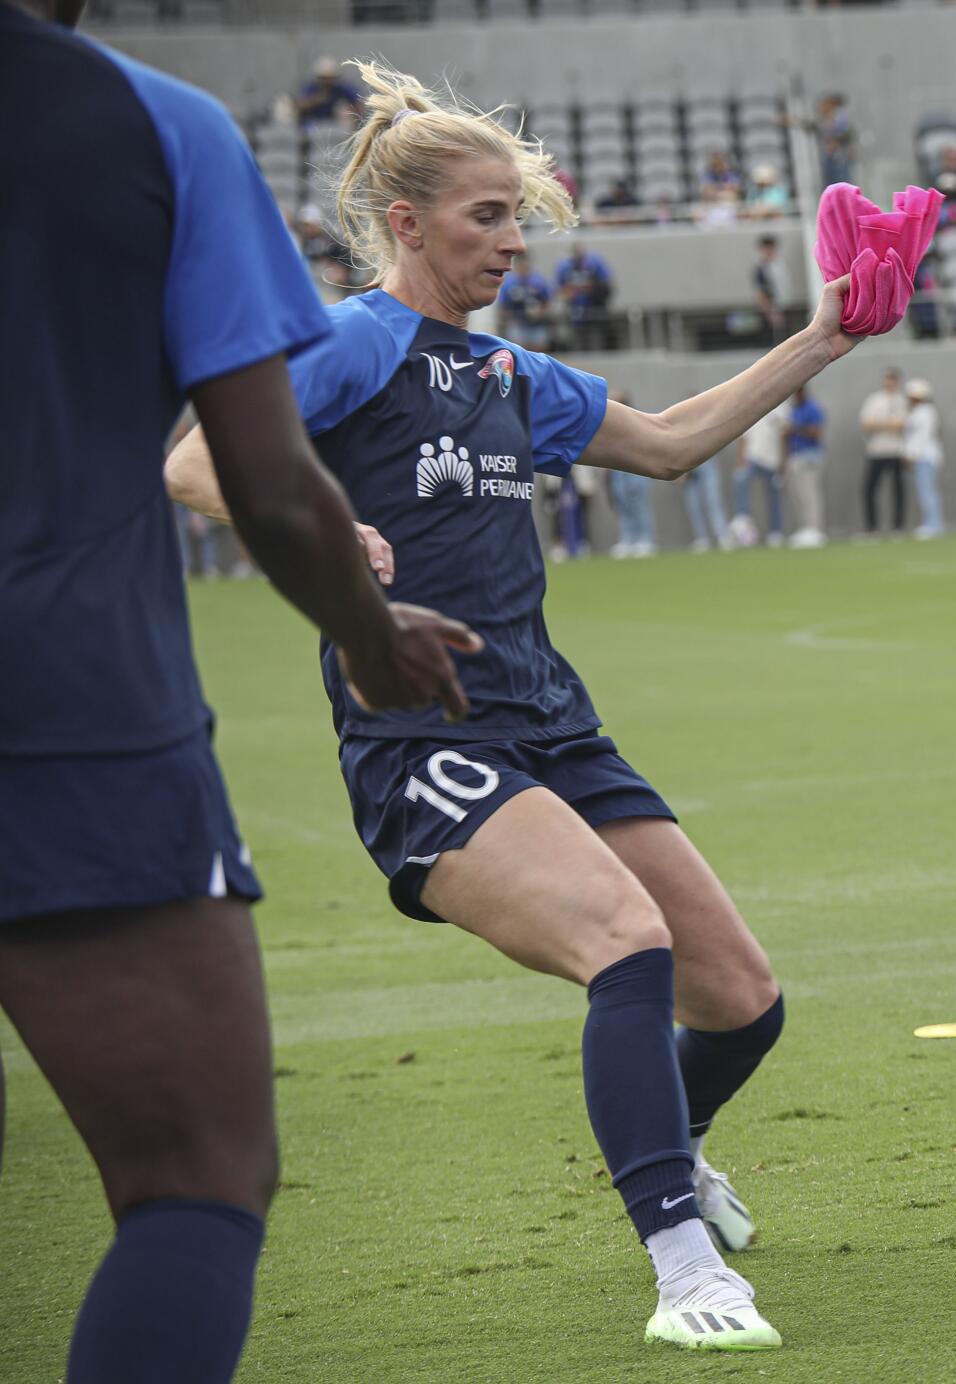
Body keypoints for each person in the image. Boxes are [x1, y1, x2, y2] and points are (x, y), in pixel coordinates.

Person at [164, 60, 875, 1354]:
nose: (510, 239)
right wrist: (334, 535)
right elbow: (196, 461)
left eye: (517, 216)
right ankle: (682, 1273)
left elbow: (665, 443)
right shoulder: (355, 341)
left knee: (741, 997)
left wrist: (823, 337)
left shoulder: (502, 375)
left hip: (552, 721)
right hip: (422, 736)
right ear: (407, 223)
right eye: (487, 215)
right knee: (625, 939)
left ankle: (676, 1145)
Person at [4, 15, 472, 1384]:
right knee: (193, 1176)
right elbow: (267, 479)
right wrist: (372, 636)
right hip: (64, 703)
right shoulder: (155, 126)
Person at [604, 389, 657, 559]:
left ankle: (645, 539)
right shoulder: (610, 424)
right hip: (618, 470)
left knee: (638, 505)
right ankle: (628, 539)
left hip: (634, 469)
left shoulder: (635, 420)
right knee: (623, 505)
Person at [860, 366, 909, 534]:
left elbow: (901, 425)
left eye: (892, 379)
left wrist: (879, 424)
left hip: (895, 451)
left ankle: (898, 526)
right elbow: (866, 425)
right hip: (876, 451)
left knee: (897, 490)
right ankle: (871, 526)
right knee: (869, 489)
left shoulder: (902, 401)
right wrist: (887, 424)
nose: (889, 382)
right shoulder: (874, 400)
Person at [733, 408, 786, 547]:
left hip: (772, 460)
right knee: (741, 478)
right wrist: (740, 460)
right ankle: (743, 520)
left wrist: (783, 462)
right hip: (753, 457)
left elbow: (784, 436)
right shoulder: (752, 405)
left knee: (774, 496)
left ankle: (775, 532)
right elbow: (743, 436)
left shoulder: (782, 408)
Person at [785, 386, 828, 548]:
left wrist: (795, 428)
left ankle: (815, 529)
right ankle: (804, 528)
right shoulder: (793, 410)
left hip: (810, 456)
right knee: (798, 495)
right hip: (796, 456)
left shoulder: (812, 408)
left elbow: (816, 432)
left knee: (810, 494)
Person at [904, 378, 945, 539]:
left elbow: (922, 436)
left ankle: (934, 525)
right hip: (922, 457)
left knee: (927, 492)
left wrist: (911, 455)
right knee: (925, 491)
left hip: (925, 457)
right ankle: (931, 523)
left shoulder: (925, 412)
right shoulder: (918, 411)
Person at [555, 242, 615, 350]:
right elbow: (560, 289)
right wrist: (570, 293)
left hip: (595, 305)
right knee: (579, 336)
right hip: (576, 308)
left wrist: (591, 289)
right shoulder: (565, 267)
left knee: (598, 334)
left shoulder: (595, 263)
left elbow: (606, 284)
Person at [297, 54, 362, 128]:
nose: (326, 82)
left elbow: (357, 104)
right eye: (324, 78)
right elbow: (300, 106)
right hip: (314, 120)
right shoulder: (312, 88)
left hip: (335, 122)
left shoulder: (340, 88)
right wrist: (316, 100)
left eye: (329, 78)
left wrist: (354, 116)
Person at [752, 234, 788, 347]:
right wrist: (768, 308)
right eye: (765, 248)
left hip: (783, 303)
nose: (768, 251)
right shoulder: (761, 267)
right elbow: (760, 290)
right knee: (774, 338)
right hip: (771, 306)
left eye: (770, 248)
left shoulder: (779, 264)